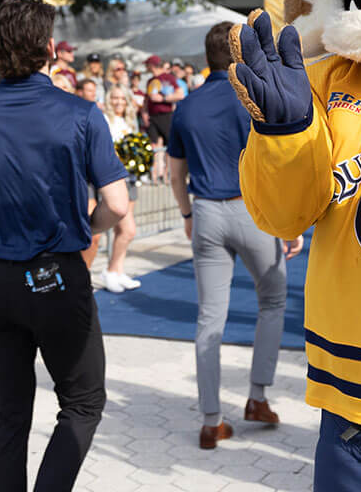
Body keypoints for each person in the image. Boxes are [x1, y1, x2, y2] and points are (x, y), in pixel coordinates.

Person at [0, 0, 128, 492]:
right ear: (49, 49)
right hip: (56, 275)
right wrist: (88, 222)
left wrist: (1, 206)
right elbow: (118, 204)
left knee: (12, 410)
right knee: (83, 402)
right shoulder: (81, 114)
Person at [167, 22, 298, 449]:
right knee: (274, 300)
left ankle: (210, 419)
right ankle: (257, 396)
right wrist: (288, 220)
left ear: (207, 58)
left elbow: (175, 171)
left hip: (205, 209)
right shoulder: (252, 98)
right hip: (251, 210)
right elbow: (277, 162)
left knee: (209, 318)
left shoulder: (186, 105)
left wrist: (186, 212)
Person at [101, 85, 140, 293]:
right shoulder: (106, 120)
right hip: (117, 178)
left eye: (122, 99)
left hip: (132, 177)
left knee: (122, 229)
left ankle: (118, 270)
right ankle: (109, 271)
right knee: (128, 229)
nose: (118, 102)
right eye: (114, 98)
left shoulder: (130, 121)